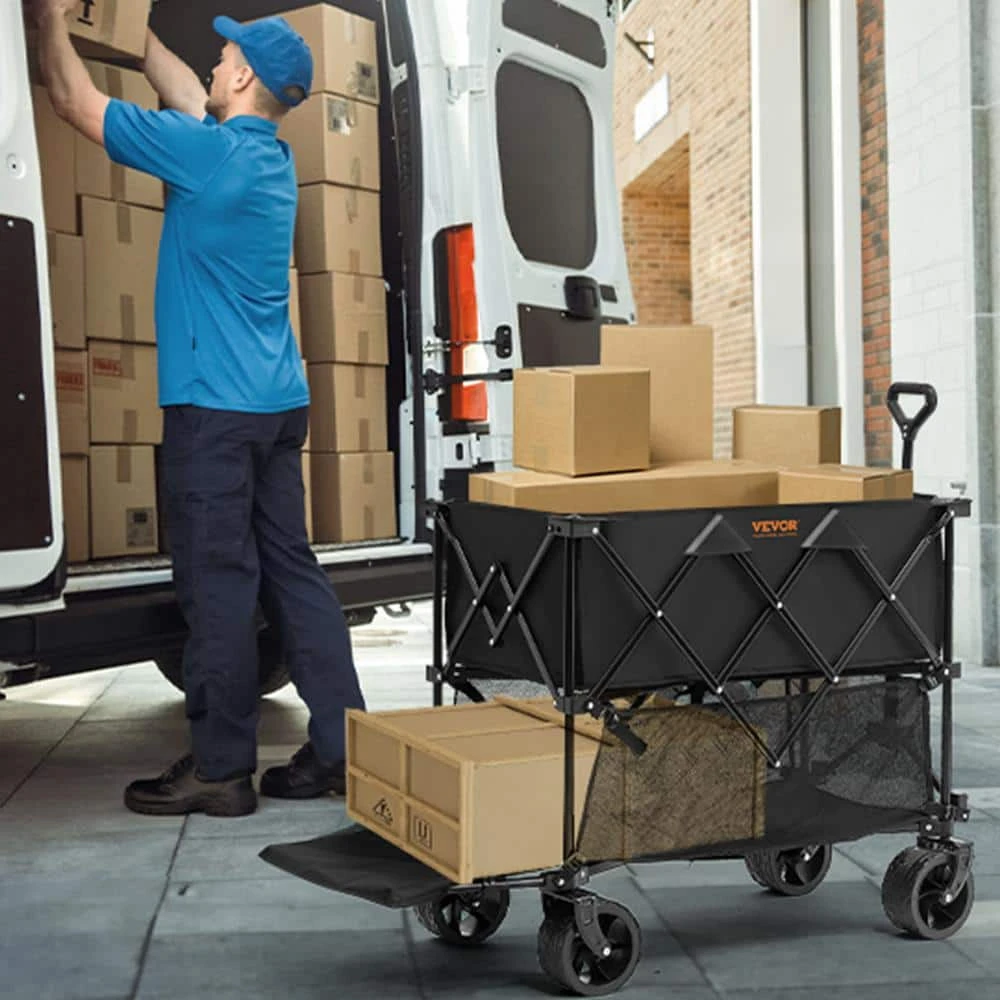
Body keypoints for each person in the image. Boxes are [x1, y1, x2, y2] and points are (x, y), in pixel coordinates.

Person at [33, 1, 367, 817]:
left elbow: (73, 101)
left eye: (225, 57)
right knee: (293, 574)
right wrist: (125, 27)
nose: (214, 63)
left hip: (213, 412)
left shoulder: (206, 155)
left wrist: (44, 18)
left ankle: (220, 769)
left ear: (244, 77)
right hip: (276, 405)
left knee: (218, 585)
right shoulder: (265, 156)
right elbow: (185, 91)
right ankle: (343, 750)